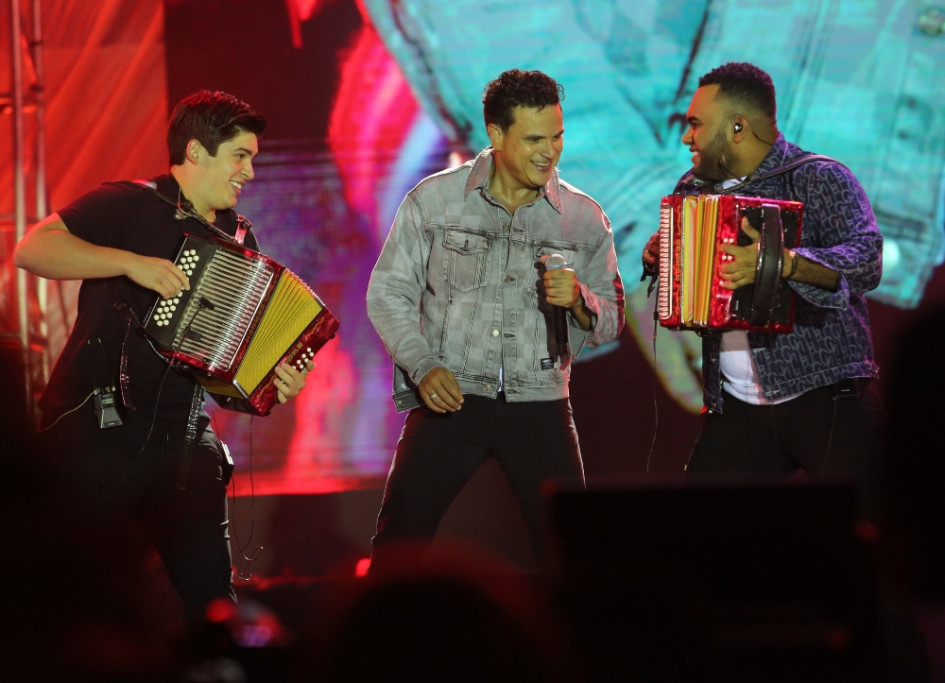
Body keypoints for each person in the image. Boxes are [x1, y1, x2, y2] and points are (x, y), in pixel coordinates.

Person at [13, 90, 313, 627]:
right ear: (196, 151)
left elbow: (226, 366)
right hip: (101, 427)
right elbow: (32, 249)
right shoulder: (129, 202)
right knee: (69, 598)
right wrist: (131, 264)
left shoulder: (239, 236)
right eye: (239, 156)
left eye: (252, 159)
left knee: (212, 602)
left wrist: (271, 383)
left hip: (184, 439)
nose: (249, 171)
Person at [365, 69, 624, 572]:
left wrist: (580, 301)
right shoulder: (435, 201)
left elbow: (612, 323)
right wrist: (422, 365)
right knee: (399, 545)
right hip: (451, 399)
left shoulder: (582, 218)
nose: (549, 152)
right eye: (534, 139)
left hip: (541, 405)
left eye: (557, 137)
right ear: (497, 135)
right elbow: (388, 292)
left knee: (574, 552)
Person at [642, 62, 884, 512]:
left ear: (738, 127)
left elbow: (866, 262)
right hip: (737, 407)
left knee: (873, 537)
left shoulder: (819, 177)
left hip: (826, 399)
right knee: (691, 537)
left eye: (695, 124)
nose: (686, 137)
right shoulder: (693, 190)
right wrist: (663, 255)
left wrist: (781, 264)